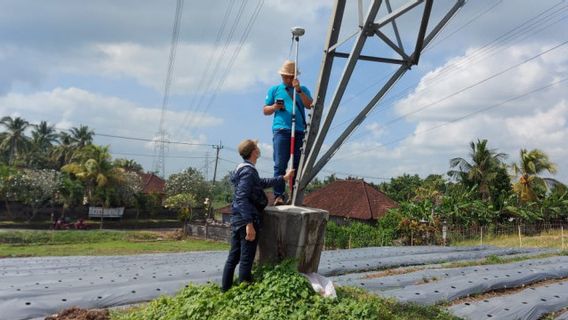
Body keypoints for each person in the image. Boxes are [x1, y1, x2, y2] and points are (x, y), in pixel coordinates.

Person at [221, 139, 293, 292]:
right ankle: (243, 295)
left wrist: (282, 178)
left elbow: (260, 182)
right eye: (257, 147)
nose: (259, 149)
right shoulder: (248, 172)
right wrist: (249, 224)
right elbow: (241, 197)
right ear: (254, 151)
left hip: (238, 219)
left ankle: (225, 290)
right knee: (246, 260)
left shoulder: (245, 170)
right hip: (246, 220)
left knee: (234, 258)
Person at [263, 60, 313, 205]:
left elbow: (309, 105)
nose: (286, 79)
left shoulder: (302, 89)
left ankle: (295, 196)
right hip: (281, 129)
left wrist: (298, 91)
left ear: (294, 77)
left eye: (289, 76)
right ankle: (278, 196)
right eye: (284, 76)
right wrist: (274, 107)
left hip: (298, 130)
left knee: (297, 164)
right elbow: (265, 110)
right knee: (280, 164)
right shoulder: (275, 89)